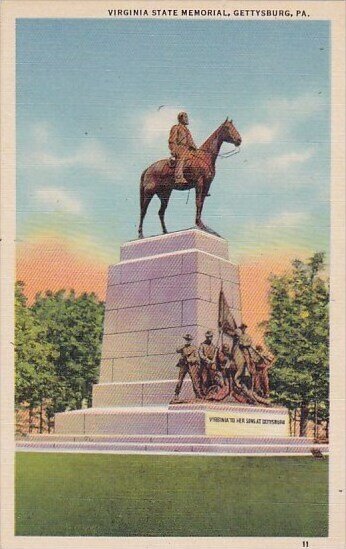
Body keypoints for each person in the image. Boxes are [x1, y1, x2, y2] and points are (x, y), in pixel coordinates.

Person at [171, 333, 204, 402]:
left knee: (194, 380)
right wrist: (183, 346)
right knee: (180, 380)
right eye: (186, 340)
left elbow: (197, 358)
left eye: (189, 340)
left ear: (191, 340)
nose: (188, 341)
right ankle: (176, 394)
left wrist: (190, 360)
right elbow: (177, 350)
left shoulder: (194, 348)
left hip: (191, 366)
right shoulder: (183, 347)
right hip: (183, 365)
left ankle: (197, 395)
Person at [168, 112, 197, 186]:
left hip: (188, 149)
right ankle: (178, 177)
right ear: (181, 118)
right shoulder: (176, 127)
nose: (187, 119)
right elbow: (172, 140)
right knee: (182, 156)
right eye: (185, 117)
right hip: (180, 148)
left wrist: (197, 150)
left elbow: (191, 142)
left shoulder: (187, 131)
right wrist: (173, 150)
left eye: (187, 117)